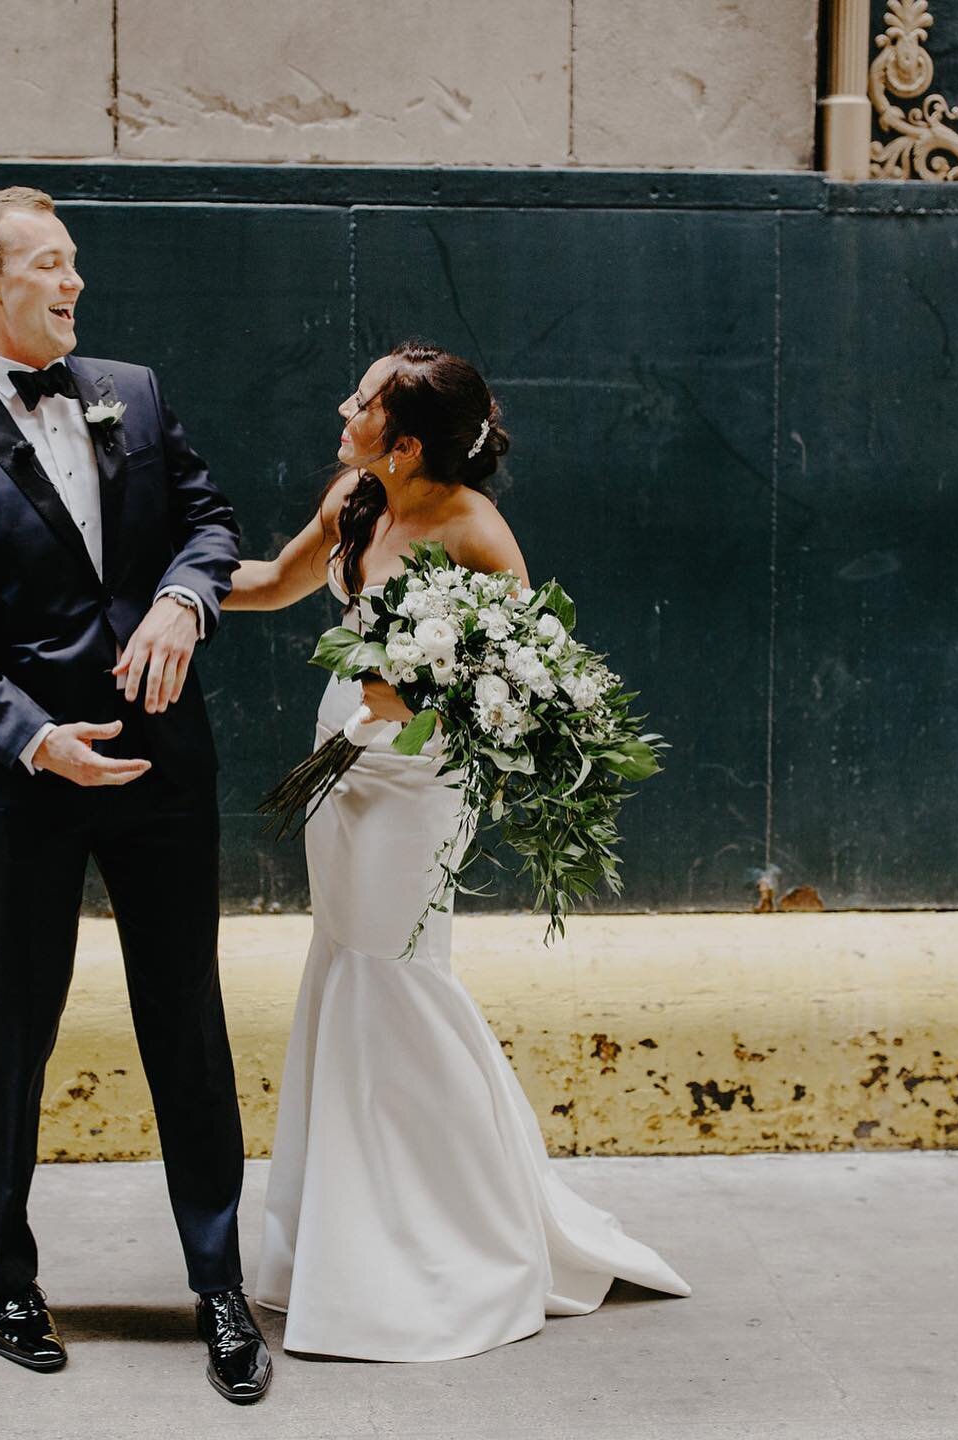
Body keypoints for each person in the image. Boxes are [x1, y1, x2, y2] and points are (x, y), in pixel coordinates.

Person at [0, 187, 271, 1404]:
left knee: (188, 1030)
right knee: (15, 1034)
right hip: (31, 784)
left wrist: (182, 598)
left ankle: (219, 1285)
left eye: (77, 263)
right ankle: (6, 1276)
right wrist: (36, 740)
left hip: (164, 767)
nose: (75, 283)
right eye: (49, 265)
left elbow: (206, 520)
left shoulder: (135, 390)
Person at [224, 341, 690, 1361]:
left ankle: (467, 1231)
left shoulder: (477, 532)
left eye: (363, 401)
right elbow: (268, 584)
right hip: (339, 756)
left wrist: (420, 693)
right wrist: (168, 592)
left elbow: (529, 685)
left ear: (407, 441)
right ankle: (348, 1233)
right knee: (345, 968)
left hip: (419, 782)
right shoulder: (357, 496)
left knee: (399, 979)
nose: (343, 407)